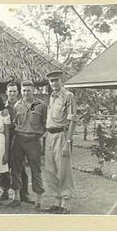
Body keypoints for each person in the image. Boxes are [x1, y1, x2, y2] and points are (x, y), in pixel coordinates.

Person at [10, 80, 47, 208]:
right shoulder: (17, 105)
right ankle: (16, 197)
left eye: (28, 90)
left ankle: (38, 201)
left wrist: (38, 137)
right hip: (19, 139)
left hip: (33, 140)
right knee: (16, 168)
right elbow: (15, 123)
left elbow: (45, 124)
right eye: (24, 90)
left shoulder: (41, 105)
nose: (26, 93)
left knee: (35, 169)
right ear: (21, 91)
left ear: (33, 91)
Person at [45, 71, 77, 214]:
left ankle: (66, 203)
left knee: (63, 169)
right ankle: (57, 202)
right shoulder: (51, 97)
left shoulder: (68, 96)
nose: (53, 83)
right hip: (50, 136)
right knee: (51, 169)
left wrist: (68, 142)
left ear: (61, 80)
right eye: (51, 81)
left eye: (56, 80)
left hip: (61, 135)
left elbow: (72, 121)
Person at [0, 82, 30, 202]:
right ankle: (5, 191)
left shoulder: (23, 106)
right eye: (10, 91)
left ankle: (24, 193)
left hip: (19, 139)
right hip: (7, 138)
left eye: (14, 91)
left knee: (20, 167)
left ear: (18, 92)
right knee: (5, 167)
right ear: (7, 93)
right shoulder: (3, 107)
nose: (12, 94)